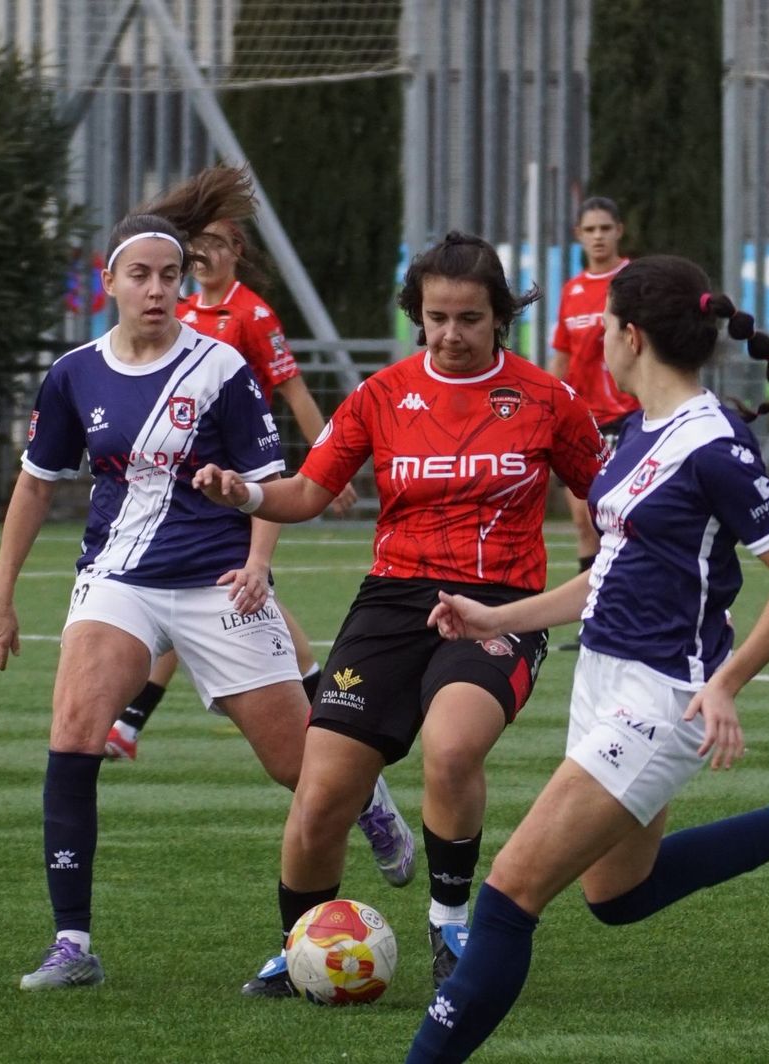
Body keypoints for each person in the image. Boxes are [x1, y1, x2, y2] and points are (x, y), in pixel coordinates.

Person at [404, 255, 769, 1062]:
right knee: (617, 894)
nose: (595, 339)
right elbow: (607, 575)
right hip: (602, 679)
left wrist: (726, 684)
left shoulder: (712, 444)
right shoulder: (639, 430)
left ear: (631, 336)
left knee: (507, 898)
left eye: (602, 327)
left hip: (663, 697)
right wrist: (497, 615)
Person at [0, 164, 414, 993]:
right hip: (119, 580)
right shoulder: (74, 373)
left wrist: (257, 566)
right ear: (107, 282)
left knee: (301, 767)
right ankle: (72, 943)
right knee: (73, 732)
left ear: (185, 281)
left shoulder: (219, 368)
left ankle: (370, 804)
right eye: (139, 275)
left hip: (218, 582)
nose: (156, 289)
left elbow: (268, 481)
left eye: (169, 276)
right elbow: (37, 483)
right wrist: (1, 592)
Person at [191, 231, 610, 996]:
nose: (450, 334)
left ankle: (450, 924)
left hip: (499, 604)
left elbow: (612, 494)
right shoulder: (381, 396)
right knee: (323, 794)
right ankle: (301, 945)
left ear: (498, 319)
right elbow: (309, 492)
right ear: (417, 315)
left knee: (452, 748)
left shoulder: (547, 400)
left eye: (469, 319)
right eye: (436, 317)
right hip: (392, 600)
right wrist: (246, 493)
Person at [103, 214, 358, 764]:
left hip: (240, 492)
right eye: (196, 250)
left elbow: (292, 390)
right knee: (184, 602)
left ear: (236, 251)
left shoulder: (252, 314)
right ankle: (130, 724)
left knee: (242, 599)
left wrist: (326, 466)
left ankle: (330, 737)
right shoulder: (180, 311)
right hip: (180, 494)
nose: (204, 259)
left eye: (215, 246)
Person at [550, 197, 637, 608]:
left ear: (619, 230)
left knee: (618, 518)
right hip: (582, 422)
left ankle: (626, 601)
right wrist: (545, 402)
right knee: (583, 520)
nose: (598, 237)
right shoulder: (572, 290)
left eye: (605, 228)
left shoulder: (633, 280)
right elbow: (563, 355)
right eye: (590, 230)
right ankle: (591, 612)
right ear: (578, 236)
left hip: (628, 418)